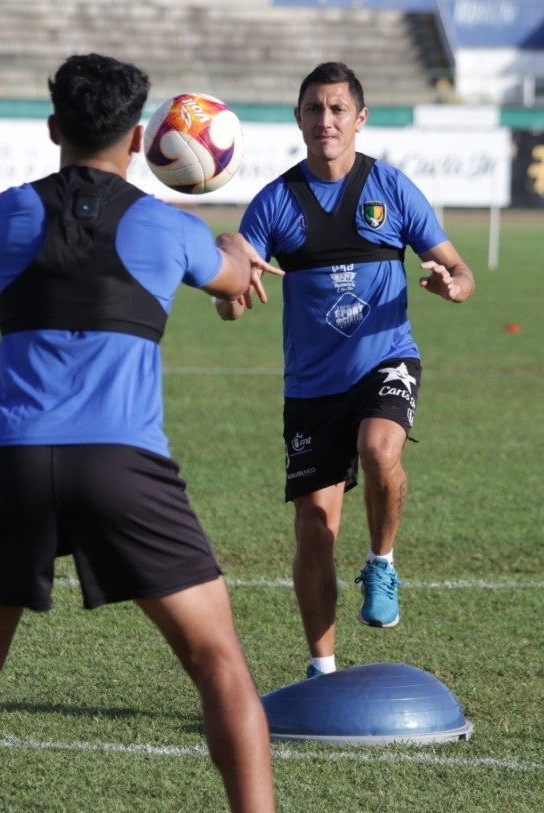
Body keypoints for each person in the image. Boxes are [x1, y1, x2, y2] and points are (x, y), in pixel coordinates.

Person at [0, 54, 280, 813]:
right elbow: (230, 277)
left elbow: (65, 246)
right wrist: (230, 246)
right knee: (218, 658)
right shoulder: (169, 230)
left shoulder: (1, 219)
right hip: (123, 467)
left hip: (13, 461)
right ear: (138, 135)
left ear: (53, 129)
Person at [219, 61, 475, 681]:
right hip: (311, 386)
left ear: (360, 119)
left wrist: (450, 285)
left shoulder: (392, 188)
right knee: (314, 526)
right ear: (299, 118)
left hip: (387, 357)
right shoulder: (275, 202)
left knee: (379, 449)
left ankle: (382, 562)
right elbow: (230, 296)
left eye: (337, 110)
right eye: (313, 109)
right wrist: (230, 283)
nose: (325, 120)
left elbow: (463, 275)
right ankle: (322, 668)